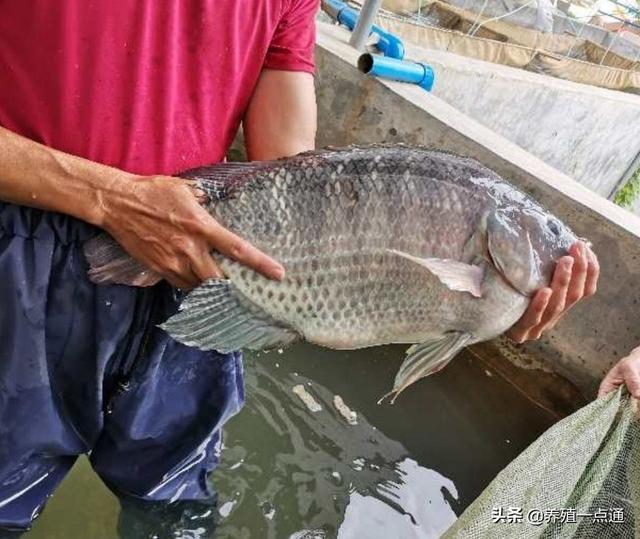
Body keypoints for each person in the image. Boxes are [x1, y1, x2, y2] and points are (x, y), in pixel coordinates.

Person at [0, 1, 598, 537]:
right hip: (22, 245)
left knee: (175, 509)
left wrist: (486, 308)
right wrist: (107, 196)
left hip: (193, 252)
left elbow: (293, 176)